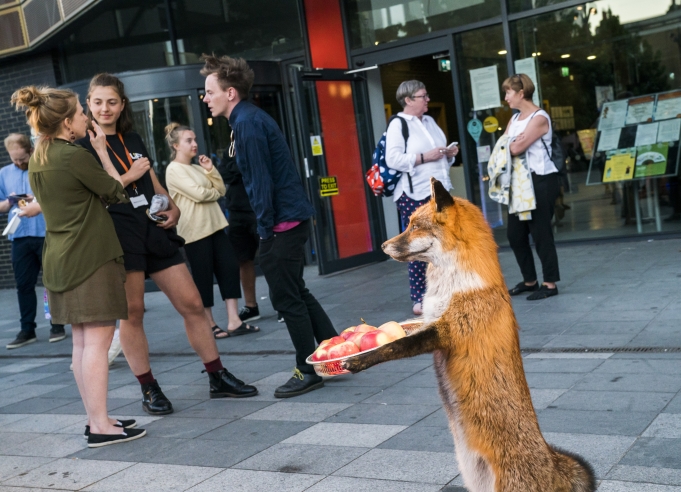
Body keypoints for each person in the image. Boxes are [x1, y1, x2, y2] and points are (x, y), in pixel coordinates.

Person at [76, 73, 257, 415]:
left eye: (112, 101)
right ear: (88, 104)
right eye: (98, 102)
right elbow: (102, 192)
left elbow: (151, 178)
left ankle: (217, 375)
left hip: (152, 226)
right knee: (133, 313)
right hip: (116, 231)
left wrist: (169, 202)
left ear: (122, 104)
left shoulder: (132, 137)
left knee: (191, 302)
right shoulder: (82, 147)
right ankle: (149, 388)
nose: (105, 108)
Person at [12, 85, 146, 447]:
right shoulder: (72, 155)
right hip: (91, 257)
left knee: (83, 344)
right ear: (68, 122)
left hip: (61, 256)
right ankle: (100, 426)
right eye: (81, 112)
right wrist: (103, 151)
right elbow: (115, 191)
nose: (87, 116)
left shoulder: (41, 154)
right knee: (97, 344)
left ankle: (96, 419)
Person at [201, 54, 337, 398]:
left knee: (285, 297)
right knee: (296, 291)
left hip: (281, 224)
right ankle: (335, 354)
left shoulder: (246, 123)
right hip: (289, 219)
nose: (205, 98)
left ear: (230, 93)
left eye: (209, 91)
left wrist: (264, 230)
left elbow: (260, 183)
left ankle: (307, 370)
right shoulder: (247, 119)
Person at [164, 122, 259, 337]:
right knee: (203, 277)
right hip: (194, 232)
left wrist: (210, 170)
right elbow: (200, 194)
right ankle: (209, 324)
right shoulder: (173, 170)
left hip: (216, 226)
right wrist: (212, 191)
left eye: (195, 139)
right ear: (176, 145)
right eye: (189, 140)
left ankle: (234, 321)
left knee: (229, 268)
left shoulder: (198, 167)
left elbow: (221, 188)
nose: (195, 144)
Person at [384, 80, 458, 315]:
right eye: (422, 96)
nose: (427, 99)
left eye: (427, 95)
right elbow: (393, 159)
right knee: (419, 244)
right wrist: (425, 157)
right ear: (408, 100)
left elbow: (440, 156)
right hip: (414, 192)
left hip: (439, 191)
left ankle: (445, 291)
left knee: (444, 243)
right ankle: (419, 298)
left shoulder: (429, 121)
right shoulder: (398, 124)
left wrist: (449, 154)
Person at [1, 134, 66, 349]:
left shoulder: (41, 167)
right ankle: (27, 329)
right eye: (14, 159)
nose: (19, 163)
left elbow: (56, 195)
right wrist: (9, 201)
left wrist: (34, 199)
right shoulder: (4, 173)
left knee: (51, 282)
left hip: (44, 232)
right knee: (23, 285)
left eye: (22, 158)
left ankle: (56, 324)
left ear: (30, 151)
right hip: (19, 236)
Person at [502, 73, 561, 300]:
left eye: (508, 92)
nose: (506, 97)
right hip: (519, 182)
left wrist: (511, 143)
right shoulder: (515, 119)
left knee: (541, 233)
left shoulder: (539, 118)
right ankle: (529, 281)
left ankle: (550, 284)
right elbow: (503, 146)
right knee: (515, 234)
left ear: (521, 93)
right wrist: (510, 143)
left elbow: (514, 148)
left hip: (541, 179)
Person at [220, 150, 263, 324]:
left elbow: (251, 168)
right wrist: (237, 167)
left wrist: (235, 166)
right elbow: (224, 173)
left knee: (269, 258)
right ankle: (251, 306)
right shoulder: (230, 150)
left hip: (257, 210)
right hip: (237, 212)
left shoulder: (253, 144)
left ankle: (281, 306)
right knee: (242, 260)